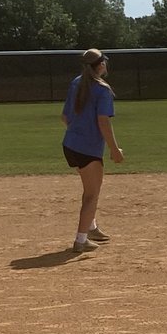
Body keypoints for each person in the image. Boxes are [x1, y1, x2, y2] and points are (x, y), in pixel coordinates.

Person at [61, 48, 124, 253]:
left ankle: (91, 228)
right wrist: (114, 149)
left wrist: (79, 133)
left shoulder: (77, 82)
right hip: (87, 149)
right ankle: (81, 240)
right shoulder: (102, 89)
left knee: (88, 190)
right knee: (92, 194)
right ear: (101, 65)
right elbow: (103, 122)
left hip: (70, 145)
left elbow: (65, 117)